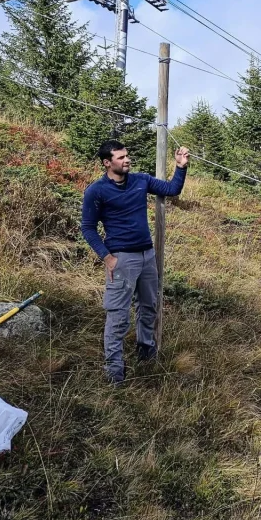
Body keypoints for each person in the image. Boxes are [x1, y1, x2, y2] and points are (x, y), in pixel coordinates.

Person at [81, 139, 190, 384]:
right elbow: (87, 228)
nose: (126, 160)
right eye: (120, 158)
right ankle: (115, 373)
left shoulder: (141, 180)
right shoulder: (96, 191)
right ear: (107, 163)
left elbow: (171, 189)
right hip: (122, 260)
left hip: (147, 256)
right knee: (118, 316)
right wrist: (107, 257)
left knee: (149, 306)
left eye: (127, 155)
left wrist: (180, 167)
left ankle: (147, 356)